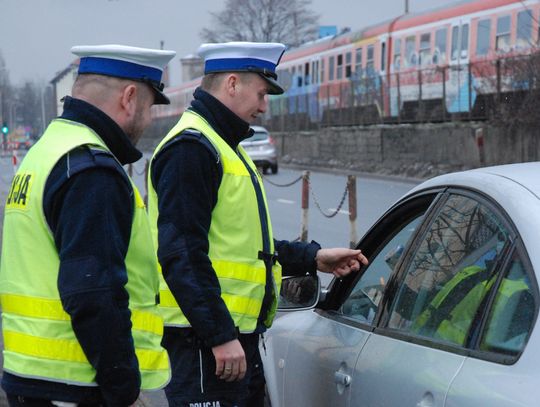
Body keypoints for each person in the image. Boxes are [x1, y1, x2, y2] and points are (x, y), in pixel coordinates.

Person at [147, 41, 369, 407]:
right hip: (206, 345)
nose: (265, 106)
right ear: (232, 84)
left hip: (230, 342)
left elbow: (247, 246)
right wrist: (219, 335)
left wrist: (313, 257)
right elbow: (181, 253)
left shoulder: (221, 144)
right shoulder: (192, 149)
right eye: (262, 93)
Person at [0, 44, 176, 407]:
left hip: (36, 377)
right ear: (129, 98)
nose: (147, 121)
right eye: (148, 107)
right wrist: (123, 386)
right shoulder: (92, 168)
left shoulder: (48, 150)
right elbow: (93, 293)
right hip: (77, 385)